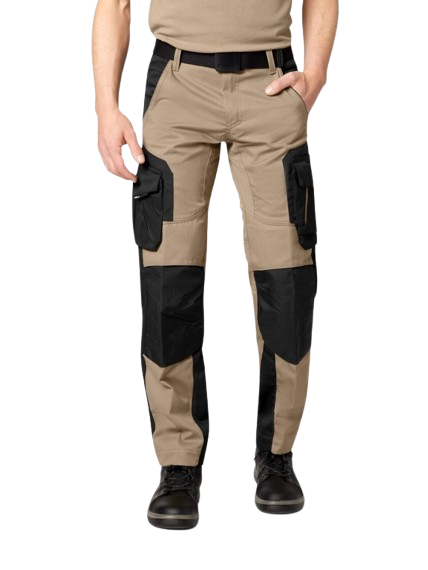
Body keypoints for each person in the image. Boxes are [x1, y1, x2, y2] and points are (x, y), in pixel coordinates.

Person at [92, 0, 339, 530]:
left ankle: (277, 457)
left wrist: (315, 71)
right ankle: (178, 465)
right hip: (177, 84)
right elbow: (114, 3)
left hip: (270, 83)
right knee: (168, 281)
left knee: (289, 278)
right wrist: (105, 107)